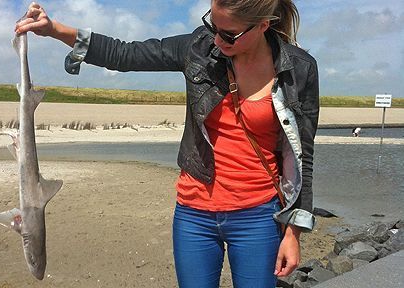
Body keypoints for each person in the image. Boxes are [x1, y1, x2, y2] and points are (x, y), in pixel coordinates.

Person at [16, 0, 319, 287]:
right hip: (194, 213)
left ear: (263, 25)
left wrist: (294, 231)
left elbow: (303, 156)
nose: (215, 41)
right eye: (211, 25)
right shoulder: (197, 48)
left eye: (228, 35)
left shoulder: (300, 69)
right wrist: (54, 29)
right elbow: (125, 54)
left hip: (258, 216)